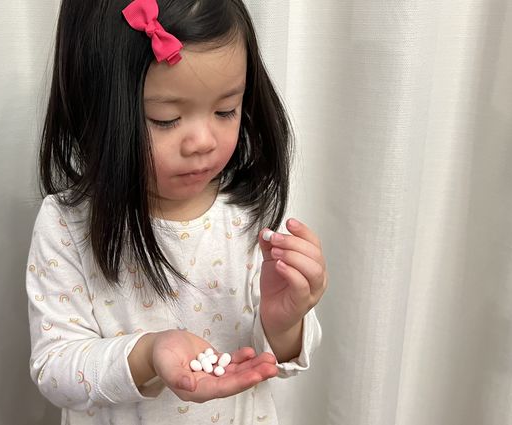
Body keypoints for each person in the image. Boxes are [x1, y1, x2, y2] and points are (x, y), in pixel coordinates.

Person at [26, 0, 327, 423]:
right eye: (166, 119)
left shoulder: (247, 210)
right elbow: (54, 368)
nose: (202, 141)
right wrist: (149, 354)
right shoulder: (67, 224)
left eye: (226, 111)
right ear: (94, 109)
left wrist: (286, 321)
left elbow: (280, 356)